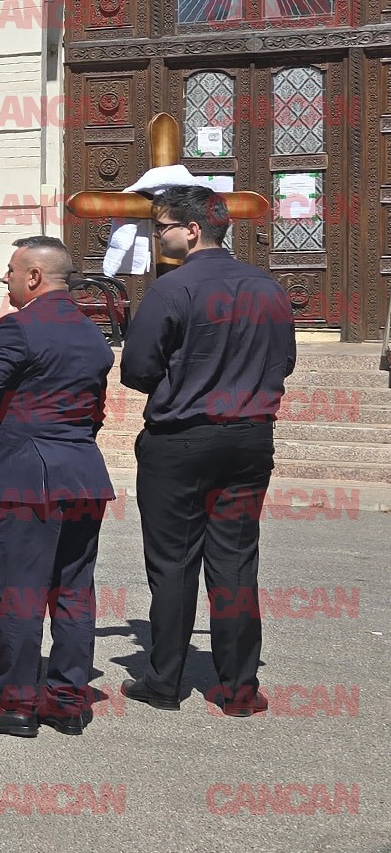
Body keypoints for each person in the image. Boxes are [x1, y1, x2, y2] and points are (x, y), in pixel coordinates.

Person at [119, 185, 296, 717]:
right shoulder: (267, 288)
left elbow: (137, 369)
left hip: (181, 438)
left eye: (162, 227)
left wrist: (183, 381)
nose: (157, 236)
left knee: (173, 562)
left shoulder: (172, 289)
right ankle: (239, 689)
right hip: (248, 437)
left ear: (192, 230)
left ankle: (164, 681)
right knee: (236, 560)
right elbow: (284, 360)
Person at [0, 237, 115, 737]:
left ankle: (16, 702)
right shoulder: (92, 334)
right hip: (84, 475)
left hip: (29, 479)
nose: (5, 278)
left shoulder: (16, 327)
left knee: (20, 595)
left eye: (11, 269)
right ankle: (67, 700)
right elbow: (95, 410)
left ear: (35, 277)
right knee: (74, 592)